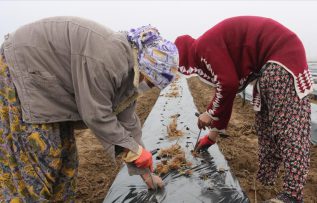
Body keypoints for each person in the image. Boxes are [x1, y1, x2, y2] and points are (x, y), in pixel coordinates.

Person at [0, 16, 178, 202]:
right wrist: (132, 150)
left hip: (52, 86)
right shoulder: (109, 58)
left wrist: (146, 171)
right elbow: (95, 113)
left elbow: (128, 121)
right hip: (24, 67)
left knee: (66, 162)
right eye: (149, 81)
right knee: (40, 156)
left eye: (153, 85)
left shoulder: (129, 72)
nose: (147, 87)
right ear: (144, 66)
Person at [175, 16, 312, 203]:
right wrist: (213, 135)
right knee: (265, 127)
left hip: (282, 56)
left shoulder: (203, 47)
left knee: (289, 130)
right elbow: (227, 93)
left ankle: (292, 195)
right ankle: (266, 181)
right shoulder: (205, 48)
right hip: (266, 66)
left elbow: (228, 84)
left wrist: (210, 113)